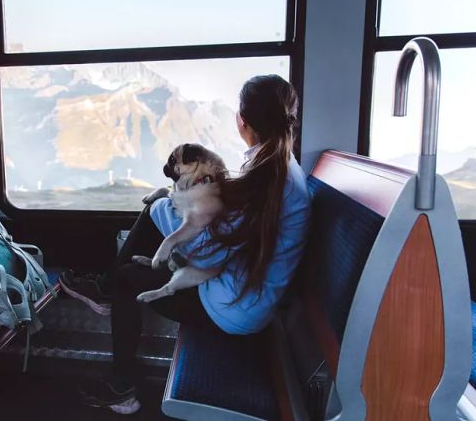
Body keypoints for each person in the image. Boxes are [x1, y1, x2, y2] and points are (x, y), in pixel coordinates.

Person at [60, 74, 312, 415]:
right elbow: (224, 241)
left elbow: (208, 250)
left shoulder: (270, 180)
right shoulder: (277, 169)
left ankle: (121, 379)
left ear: (242, 121)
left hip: (233, 308)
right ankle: (107, 289)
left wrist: (167, 211)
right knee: (145, 247)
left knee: (135, 257)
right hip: (241, 295)